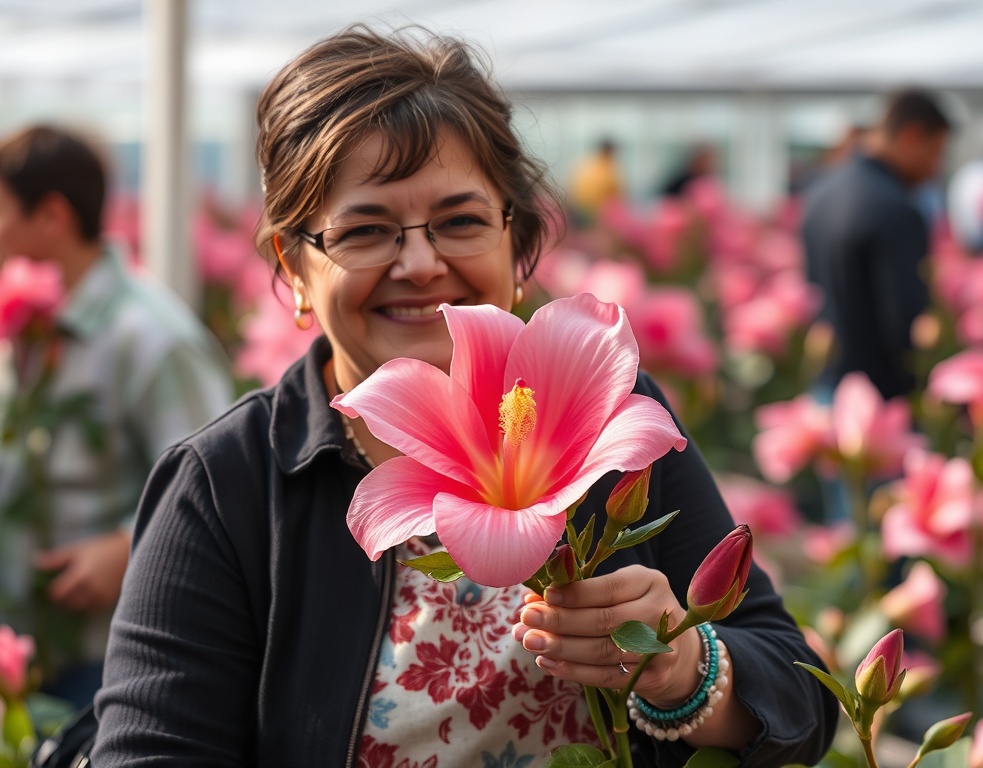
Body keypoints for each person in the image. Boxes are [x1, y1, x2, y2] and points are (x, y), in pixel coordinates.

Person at [92, 25, 837, 767]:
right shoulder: (225, 485)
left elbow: (802, 705)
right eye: (366, 230)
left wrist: (682, 668)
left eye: (460, 221)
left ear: (516, 242)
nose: (421, 264)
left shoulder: (608, 414)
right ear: (294, 269)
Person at [0, 125, 235, 709]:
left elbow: (219, 485)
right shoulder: (28, 321)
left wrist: (127, 547)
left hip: (104, 661)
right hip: (25, 652)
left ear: (51, 217)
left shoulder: (151, 337)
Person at [801, 88, 952, 402]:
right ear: (911, 136)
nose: (934, 168)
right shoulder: (897, 210)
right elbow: (904, 323)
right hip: (878, 399)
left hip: (825, 387)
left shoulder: (819, 193)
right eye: (935, 152)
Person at [568, 138, 624, 227]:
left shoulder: (587, 162)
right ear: (610, 151)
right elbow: (616, 193)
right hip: (596, 212)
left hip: (578, 208)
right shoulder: (609, 168)